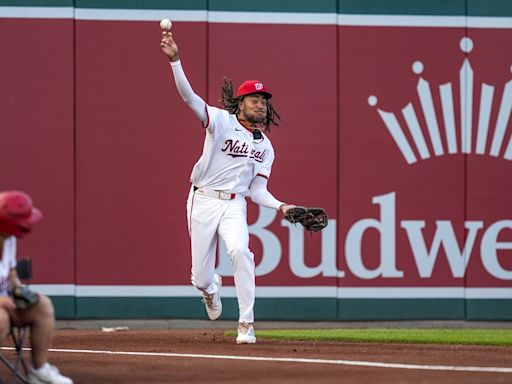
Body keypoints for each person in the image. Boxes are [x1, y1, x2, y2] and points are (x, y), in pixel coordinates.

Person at [160, 30, 296, 344]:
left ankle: (246, 324)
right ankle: (210, 291)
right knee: (201, 277)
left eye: (263, 101)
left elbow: (257, 191)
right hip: (203, 199)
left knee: (241, 252)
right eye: (254, 99)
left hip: (235, 204)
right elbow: (189, 98)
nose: (261, 105)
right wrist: (176, 61)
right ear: (241, 103)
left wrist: (281, 206)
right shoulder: (220, 121)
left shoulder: (266, 148)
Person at [0, 191, 73, 384]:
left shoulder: (9, 238)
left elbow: (11, 272)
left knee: (43, 306)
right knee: (1, 319)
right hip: (1, 309)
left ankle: (38, 371)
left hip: (7, 304)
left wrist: (18, 289)